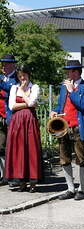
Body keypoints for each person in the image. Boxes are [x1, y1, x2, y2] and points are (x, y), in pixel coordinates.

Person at [50, 60, 84, 201]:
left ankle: (82, 189)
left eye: (69, 71)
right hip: (63, 126)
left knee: (81, 158)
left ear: (76, 72)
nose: (67, 74)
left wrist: (72, 91)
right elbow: (60, 105)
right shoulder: (64, 88)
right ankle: (70, 188)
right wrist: (54, 111)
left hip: (78, 127)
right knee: (64, 158)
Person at [5, 64, 41, 192]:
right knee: (19, 149)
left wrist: (24, 92)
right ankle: (21, 182)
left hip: (29, 121)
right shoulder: (14, 88)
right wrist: (27, 103)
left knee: (31, 149)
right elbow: (11, 106)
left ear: (29, 75)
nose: (22, 78)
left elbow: (32, 102)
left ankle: (32, 182)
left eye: (24, 75)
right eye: (20, 76)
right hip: (17, 122)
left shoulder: (35, 87)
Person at [0, 54, 18, 186]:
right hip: (1, 116)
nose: (4, 66)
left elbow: (12, 91)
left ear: (13, 65)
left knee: (14, 147)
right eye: (3, 63)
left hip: (12, 116)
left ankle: (14, 176)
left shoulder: (17, 78)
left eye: (7, 63)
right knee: (1, 146)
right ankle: (3, 175)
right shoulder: (1, 78)